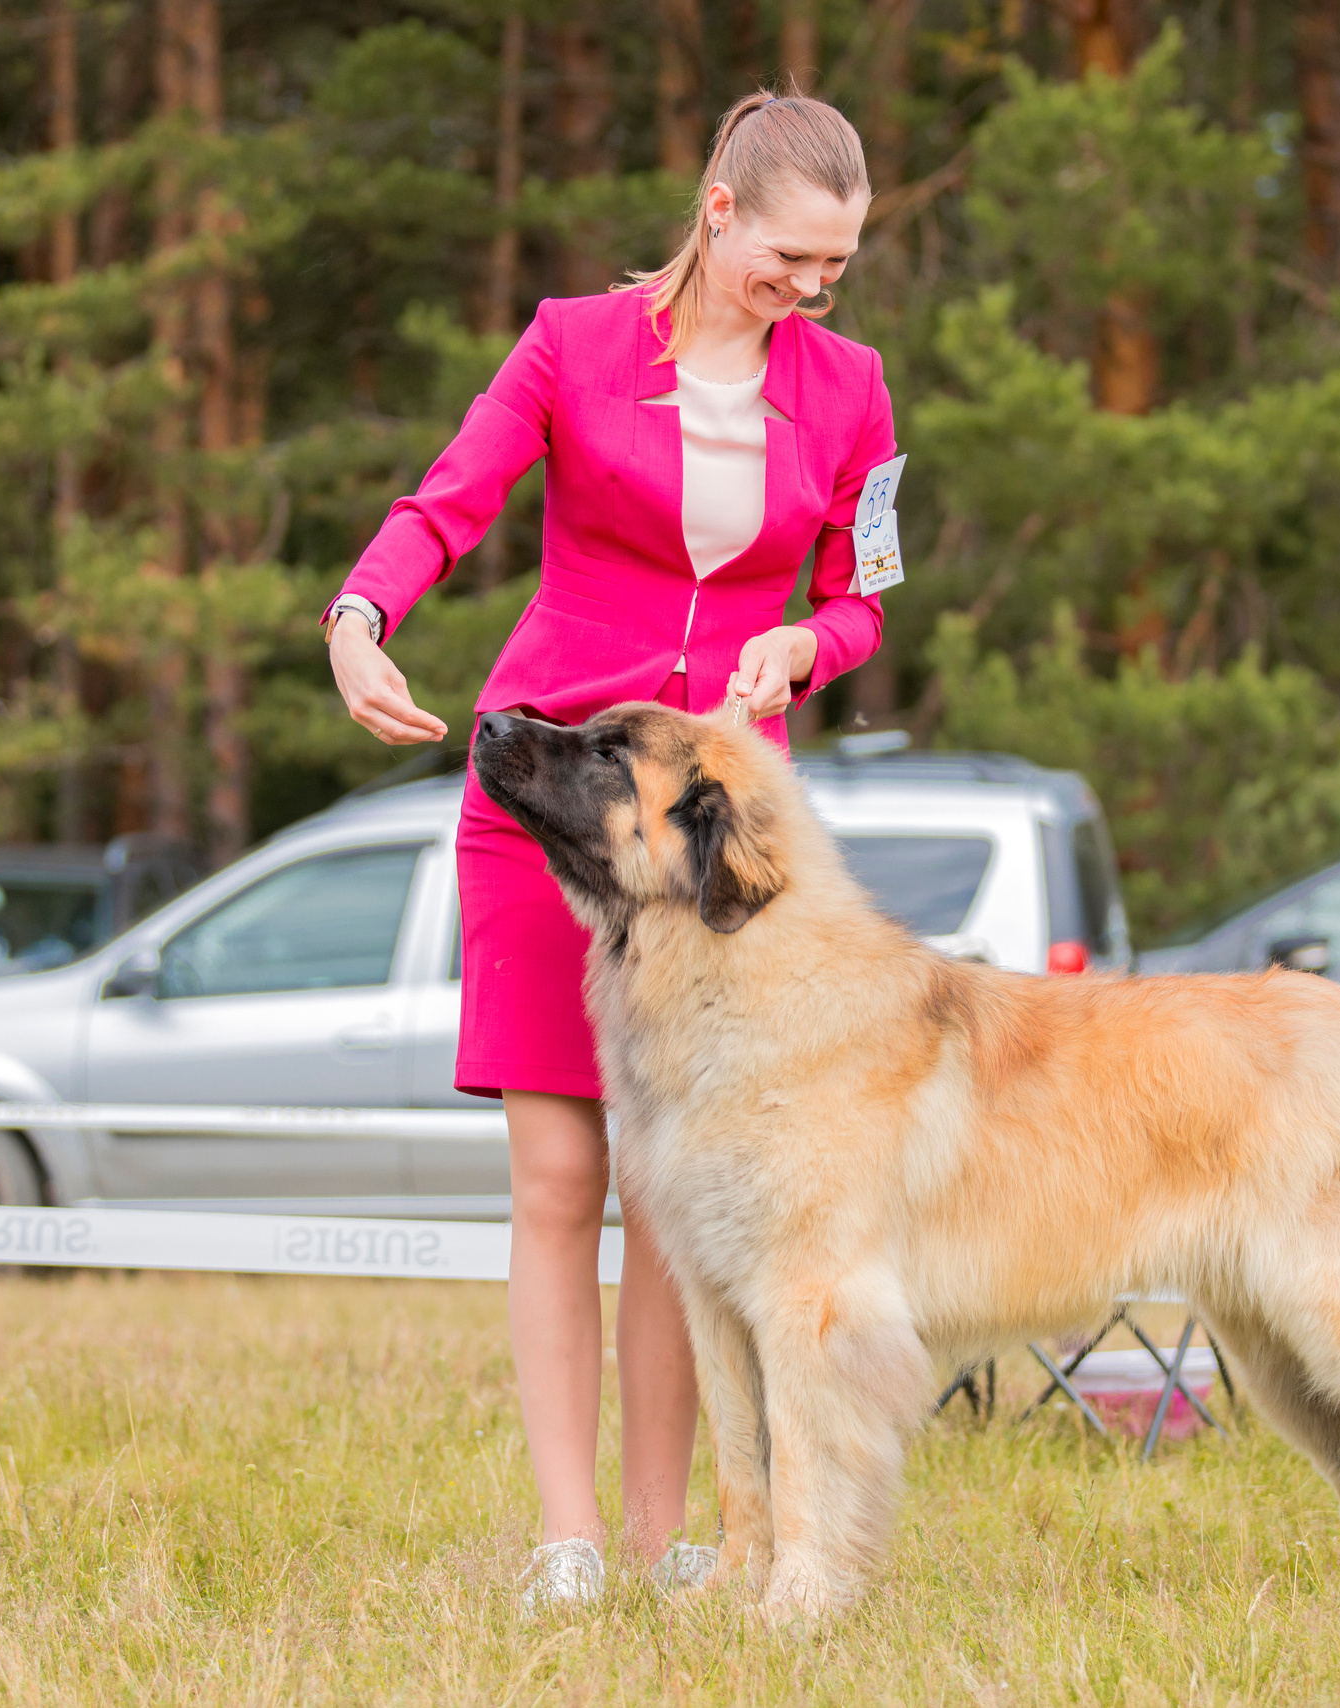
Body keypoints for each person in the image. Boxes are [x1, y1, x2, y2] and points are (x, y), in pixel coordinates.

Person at [325, 92, 894, 1606]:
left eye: (837, 265)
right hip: (555, 793)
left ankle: (663, 1536)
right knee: (559, 1175)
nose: (812, 287)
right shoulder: (571, 343)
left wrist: (806, 645)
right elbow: (446, 503)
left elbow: (865, 595)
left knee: (673, 1189)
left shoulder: (853, 386)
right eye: (790, 255)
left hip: (708, 831)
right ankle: (569, 1539)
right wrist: (360, 618)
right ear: (718, 210)